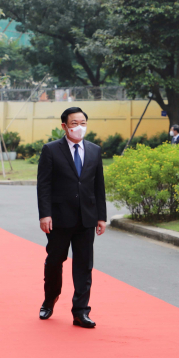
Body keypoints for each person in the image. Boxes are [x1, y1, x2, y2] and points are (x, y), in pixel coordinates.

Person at [36, 107, 107, 328]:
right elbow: (44, 185)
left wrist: (101, 217)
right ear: (64, 126)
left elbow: (99, 186)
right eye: (74, 123)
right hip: (58, 218)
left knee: (84, 265)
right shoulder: (51, 150)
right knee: (55, 261)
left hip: (87, 217)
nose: (79, 127)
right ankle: (50, 300)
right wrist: (44, 214)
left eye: (83, 122)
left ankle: (80, 311)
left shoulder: (94, 150)